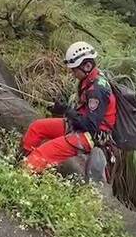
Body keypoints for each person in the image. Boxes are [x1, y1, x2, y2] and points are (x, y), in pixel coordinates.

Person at [22, 42, 117, 172]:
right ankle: (23, 162)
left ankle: (24, 173)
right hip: (80, 125)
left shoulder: (97, 90)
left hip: (92, 136)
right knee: (36, 128)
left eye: (74, 70)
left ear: (87, 66)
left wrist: (67, 111)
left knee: (41, 155)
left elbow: (90, 125)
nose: (73, 73)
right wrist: (64, 110)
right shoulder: (91, 79)